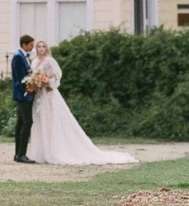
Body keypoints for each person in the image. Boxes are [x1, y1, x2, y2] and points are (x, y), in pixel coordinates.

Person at [25, 40, 136, 165]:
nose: (41, 49)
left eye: (43, 46)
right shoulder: (34, 61)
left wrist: (47, 81)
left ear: (46, 48)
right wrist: (34, 83)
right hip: (39, 95)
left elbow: (58, 74)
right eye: (39, 46)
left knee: (52, 121)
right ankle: (42, 152)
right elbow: (32, 76)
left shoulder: (49, 60)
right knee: (41, 121)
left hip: (49, 94)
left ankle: (55, 150)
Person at [10, 34, 35, 163]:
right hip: (23, 95)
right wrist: (29, 88)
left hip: (24, 94)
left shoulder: (23, 57)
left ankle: (18, 154)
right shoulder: (18, 57)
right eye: (31, 45)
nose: (32, 47)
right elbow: (20, 78)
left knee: (21, 123)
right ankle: (21, 154)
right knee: (27, 122)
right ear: (24, 45)